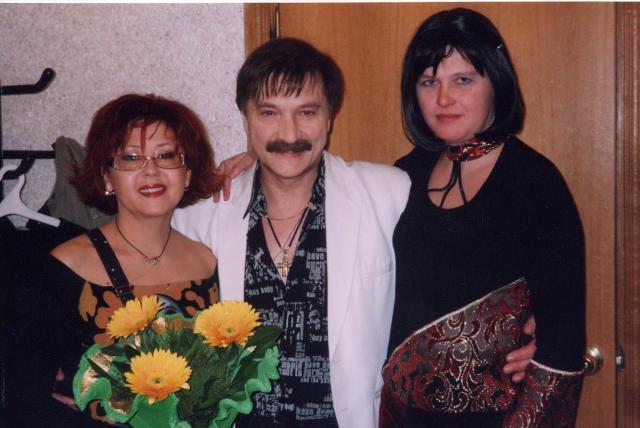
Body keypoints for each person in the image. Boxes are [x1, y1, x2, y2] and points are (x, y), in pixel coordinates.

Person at [173, 37, 536, 428]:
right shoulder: (201, 218)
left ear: (330, 117)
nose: (289, 133)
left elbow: (464, 252)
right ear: (246, 119)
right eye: (269, 113)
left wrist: (523, 325)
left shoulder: (389, 192)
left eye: (307, 112)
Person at [379, 8, 586, 427]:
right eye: (428, 82)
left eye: (463, 80)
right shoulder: (402, 176)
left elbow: (561, 347)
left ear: (496, 82)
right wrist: (256, 166)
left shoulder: (536, 183)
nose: (443, 99)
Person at [30, 94, 220, 426]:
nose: (151, 170)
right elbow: (30, 395)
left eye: (166, 155)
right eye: (131, 158)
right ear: (106, 177)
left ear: (187, 173)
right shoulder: (66, 265)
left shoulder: (208, 261)